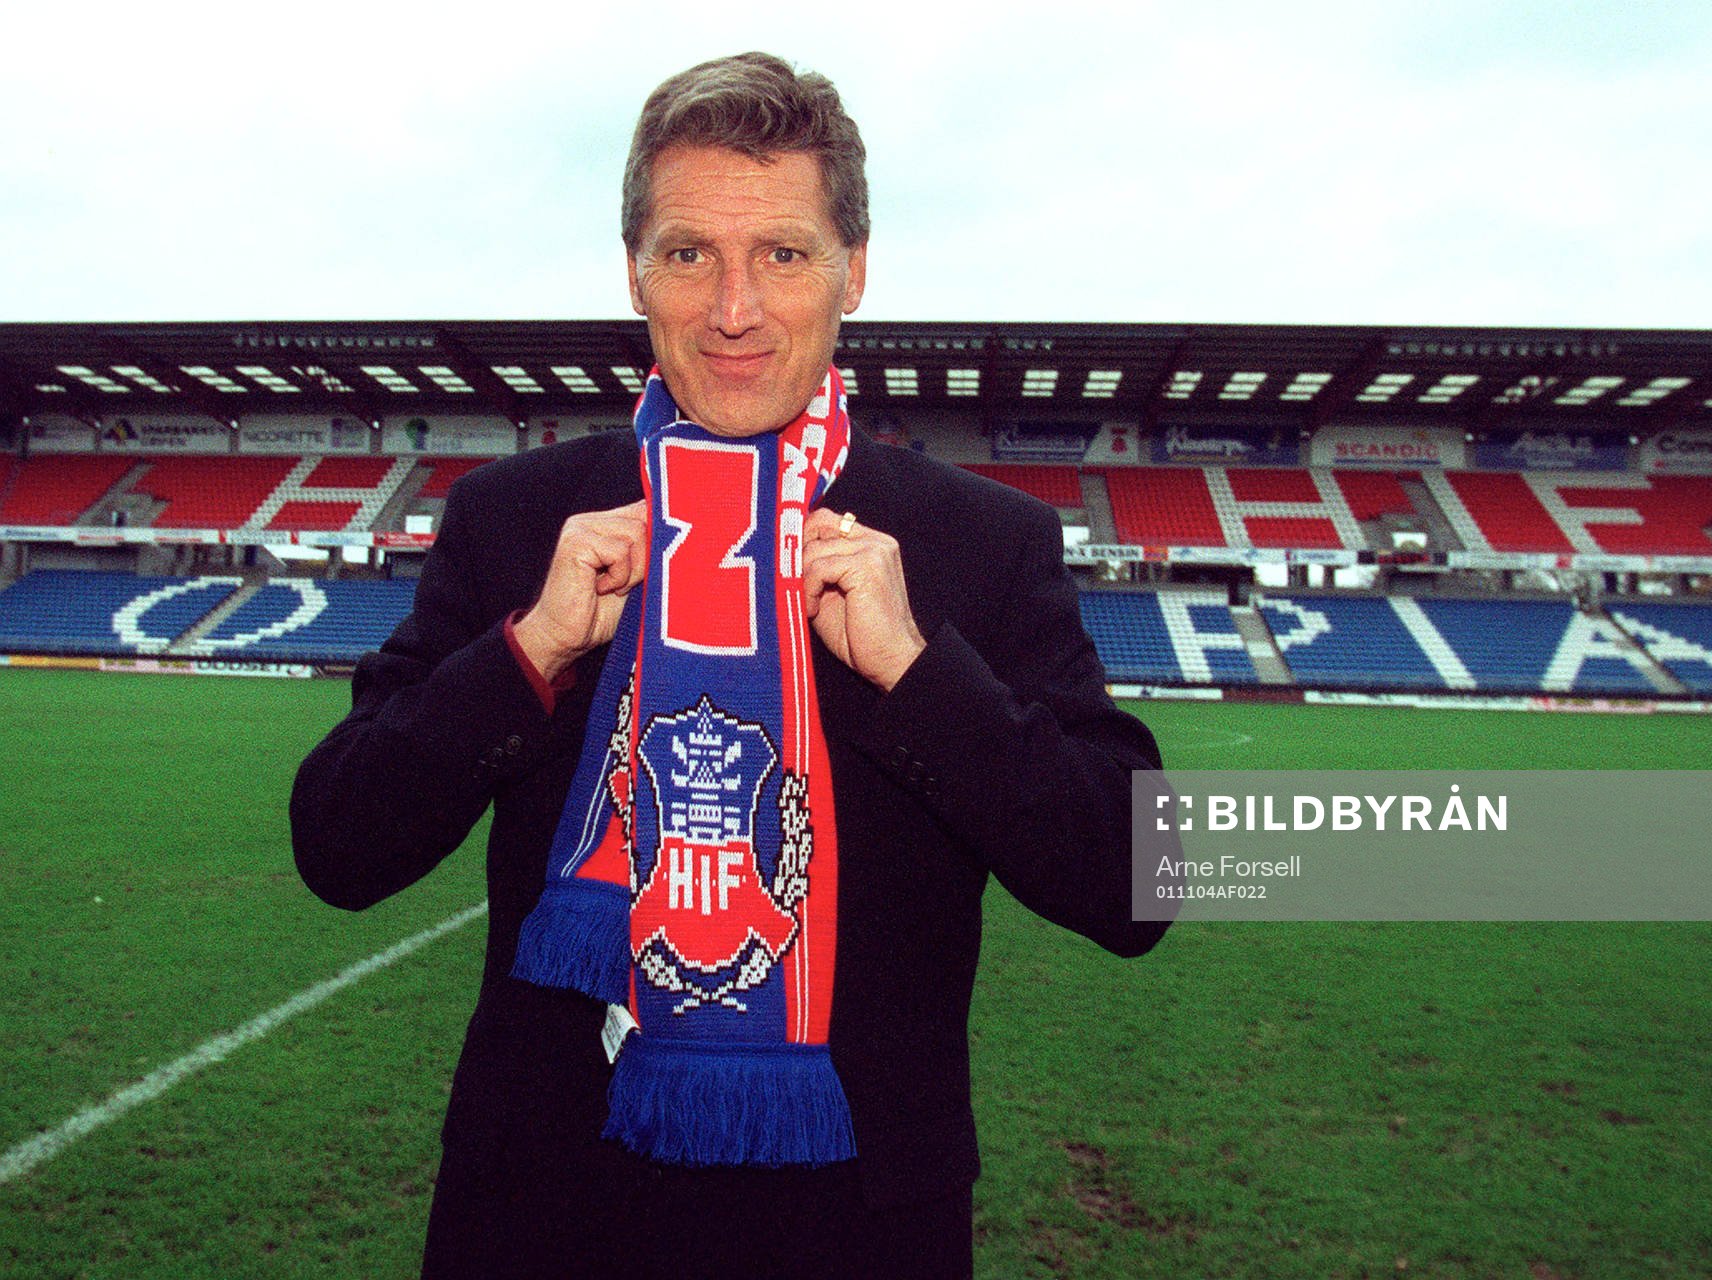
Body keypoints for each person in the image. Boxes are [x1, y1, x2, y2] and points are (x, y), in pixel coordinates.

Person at [292, 51, 1167, 1279]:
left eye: (786, 255)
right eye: (689, 252)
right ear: (635, 271)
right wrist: (530, 650)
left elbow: (1142, 881)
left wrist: (921, 673)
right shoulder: (518, 518)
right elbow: (337, 842)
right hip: (542, 1211)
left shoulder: (979, 539)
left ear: (855, 271)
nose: (734, 307)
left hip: (857, 1224)